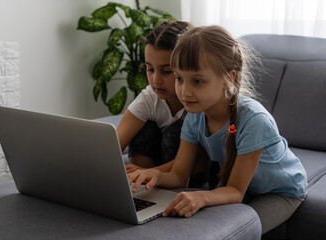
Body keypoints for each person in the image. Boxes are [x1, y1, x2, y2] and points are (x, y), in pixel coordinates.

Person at [128, 25, 307, 234]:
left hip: (281, 192)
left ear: (228, 78)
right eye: (179, 78)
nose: (184, 91)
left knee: (238, 232)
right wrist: (154, 175)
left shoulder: (254, 121)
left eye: (197, 81)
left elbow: (235, 191)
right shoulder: (195, 117)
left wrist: (201, 196)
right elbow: (179, 175)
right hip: (245, 187)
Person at [116, 21, 210, 185]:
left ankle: (154, 183)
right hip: (155, 168)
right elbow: (113, 144)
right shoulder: (149, 97)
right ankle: (142, 187)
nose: (155, 80)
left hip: (190, 170)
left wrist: (148, 172)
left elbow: (199, 157)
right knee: (144, 128)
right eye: (150, 69)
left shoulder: (201, 103)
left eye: (166, 71)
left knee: (175, 132)